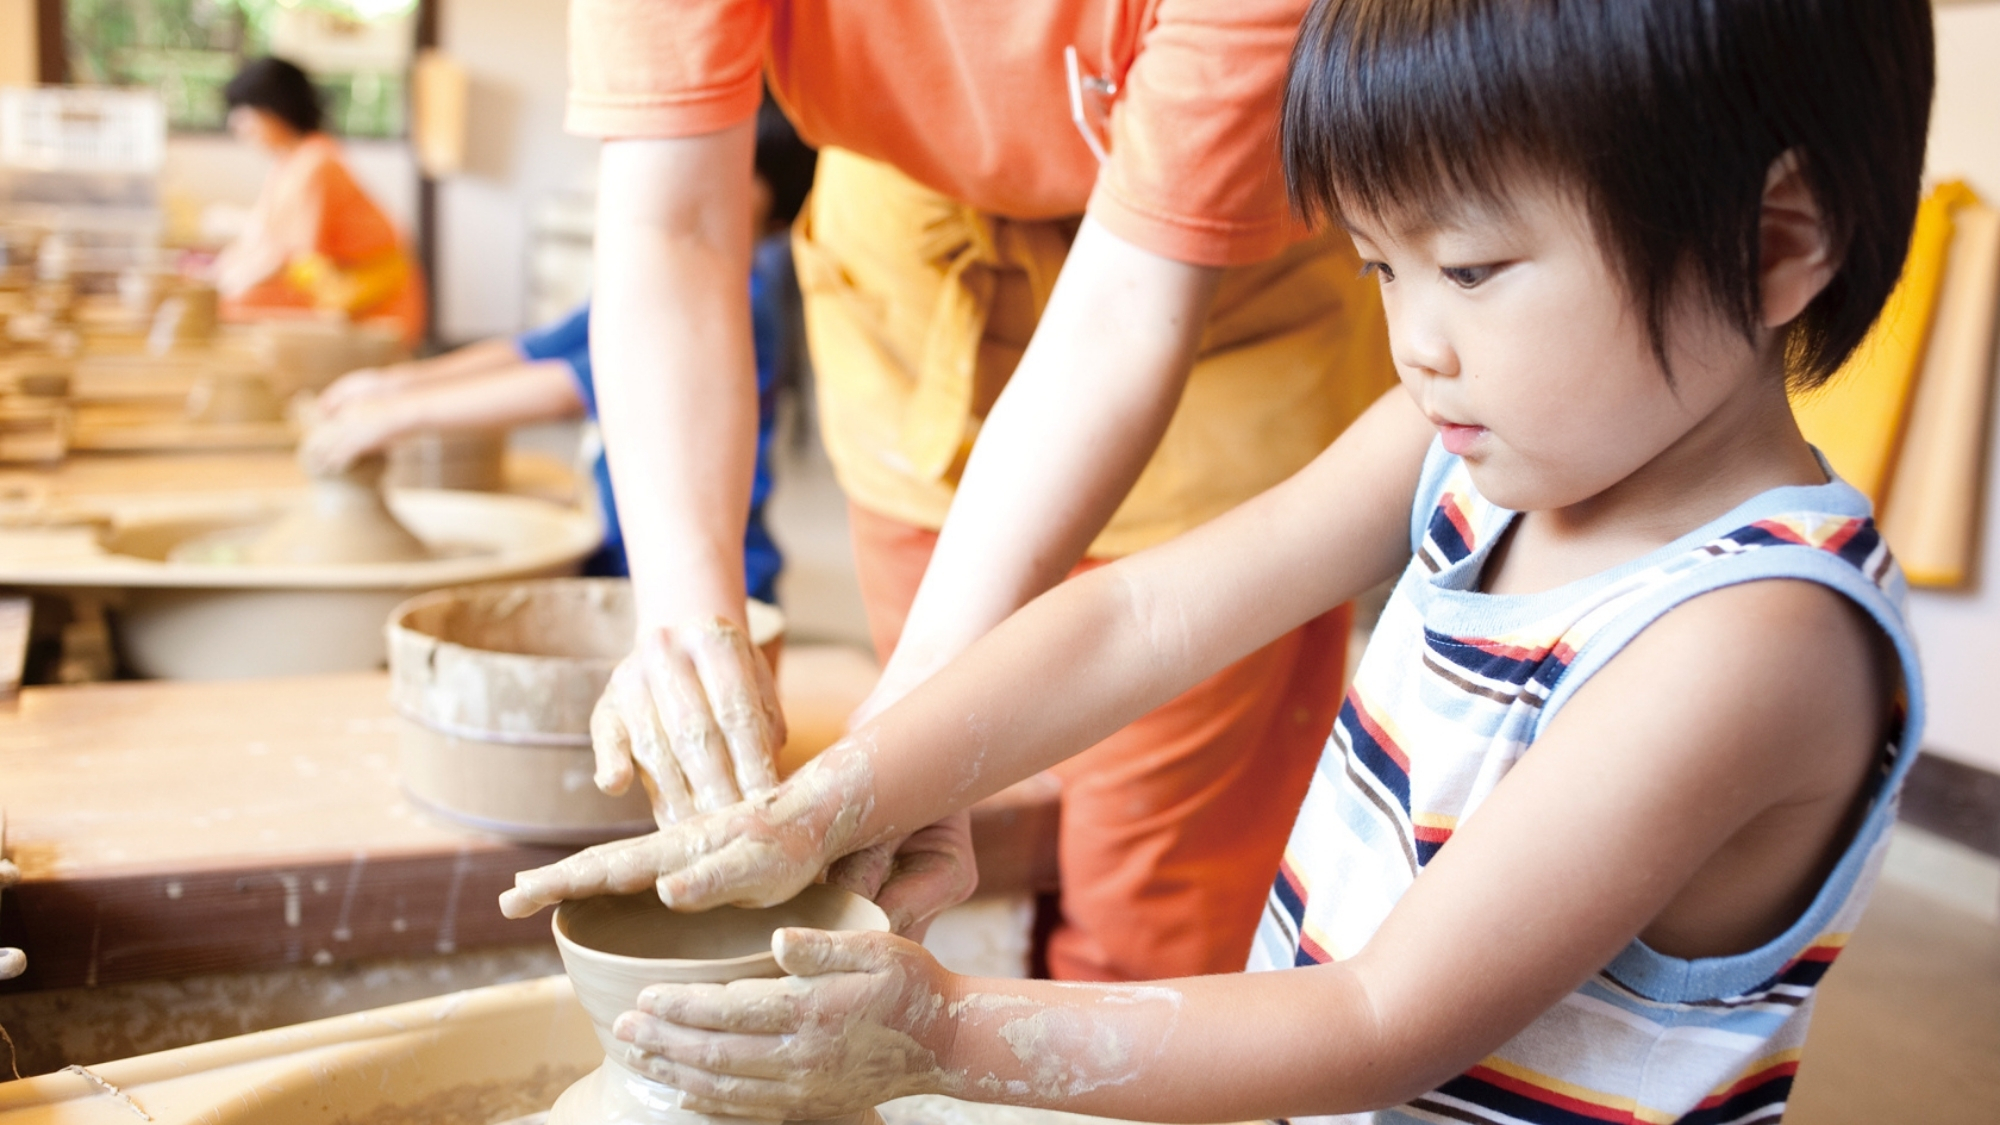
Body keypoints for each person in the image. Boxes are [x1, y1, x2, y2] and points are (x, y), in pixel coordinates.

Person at [500, 1, 1933, 1121]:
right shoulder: (1453, 441)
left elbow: (1383, 1024)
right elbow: (1141, 615)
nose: (1416, 339)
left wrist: (936, 1032)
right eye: (1381, 267)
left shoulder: (1750, 639)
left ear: (1773, 243)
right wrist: (849, 791)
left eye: (1475, 269)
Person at [572, 0, 1397, 979]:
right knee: (915, 831)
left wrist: (923, 713)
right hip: (911, 273)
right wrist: (684, 621)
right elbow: (675, 226)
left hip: (1206, 302)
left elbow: (1123, 316)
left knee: (1139, 909)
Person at [301, 99, 817, 597]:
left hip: (714, 576)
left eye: (720, 167)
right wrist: (396, 383)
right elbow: (535, 349)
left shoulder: (740, 304)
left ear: (770, 202)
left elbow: (569, 387)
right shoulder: (657, 289)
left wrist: (397, 416)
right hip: (625, 546)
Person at [211, 57, 426, 348]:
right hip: (339, 292)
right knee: (231, 303)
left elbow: (285, 256)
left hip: (375, 303)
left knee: (234, 308)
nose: (236, 124)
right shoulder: (289, 162)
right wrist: (218, 274)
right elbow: (260, 238)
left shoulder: (317, 163)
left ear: (274, 109)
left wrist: (221, 288)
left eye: (244, 111)